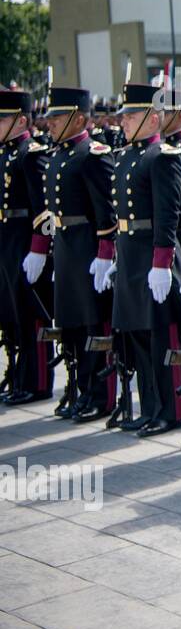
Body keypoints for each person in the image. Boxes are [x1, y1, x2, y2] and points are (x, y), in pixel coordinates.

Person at [110, 81, 181, 437]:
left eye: (132, 116)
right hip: (130, 253)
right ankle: (149, 406)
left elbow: (168, 214)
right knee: (139, 337)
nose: (124, 122)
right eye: (124, 116)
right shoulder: (127, 155)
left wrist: (162, 262)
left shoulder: (163, 157)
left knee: (161, 337)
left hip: (154, 256)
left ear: (153, 119)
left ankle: (169, 409)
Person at [37, 85, 116, 421]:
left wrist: (104, 254)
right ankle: (79, 388)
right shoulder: (57, 155)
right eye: (50, 117)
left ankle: (99, 393)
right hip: (67, 248)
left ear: (79, 118)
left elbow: (107, 211)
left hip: (87, 246)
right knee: (70, 324)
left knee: (91, 323)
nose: (50, 123)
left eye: (57, 117)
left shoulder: (92, 154)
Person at [0, 89, 54, 404]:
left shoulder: (31, 154)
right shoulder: (5, 152)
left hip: (23, 239)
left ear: (21, 120)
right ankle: (17, 373)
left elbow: (44, 207)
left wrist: (39, 248)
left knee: (29, 312)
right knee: (9, 312)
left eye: (3, 118)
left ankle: (37, 381)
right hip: (6, 239)